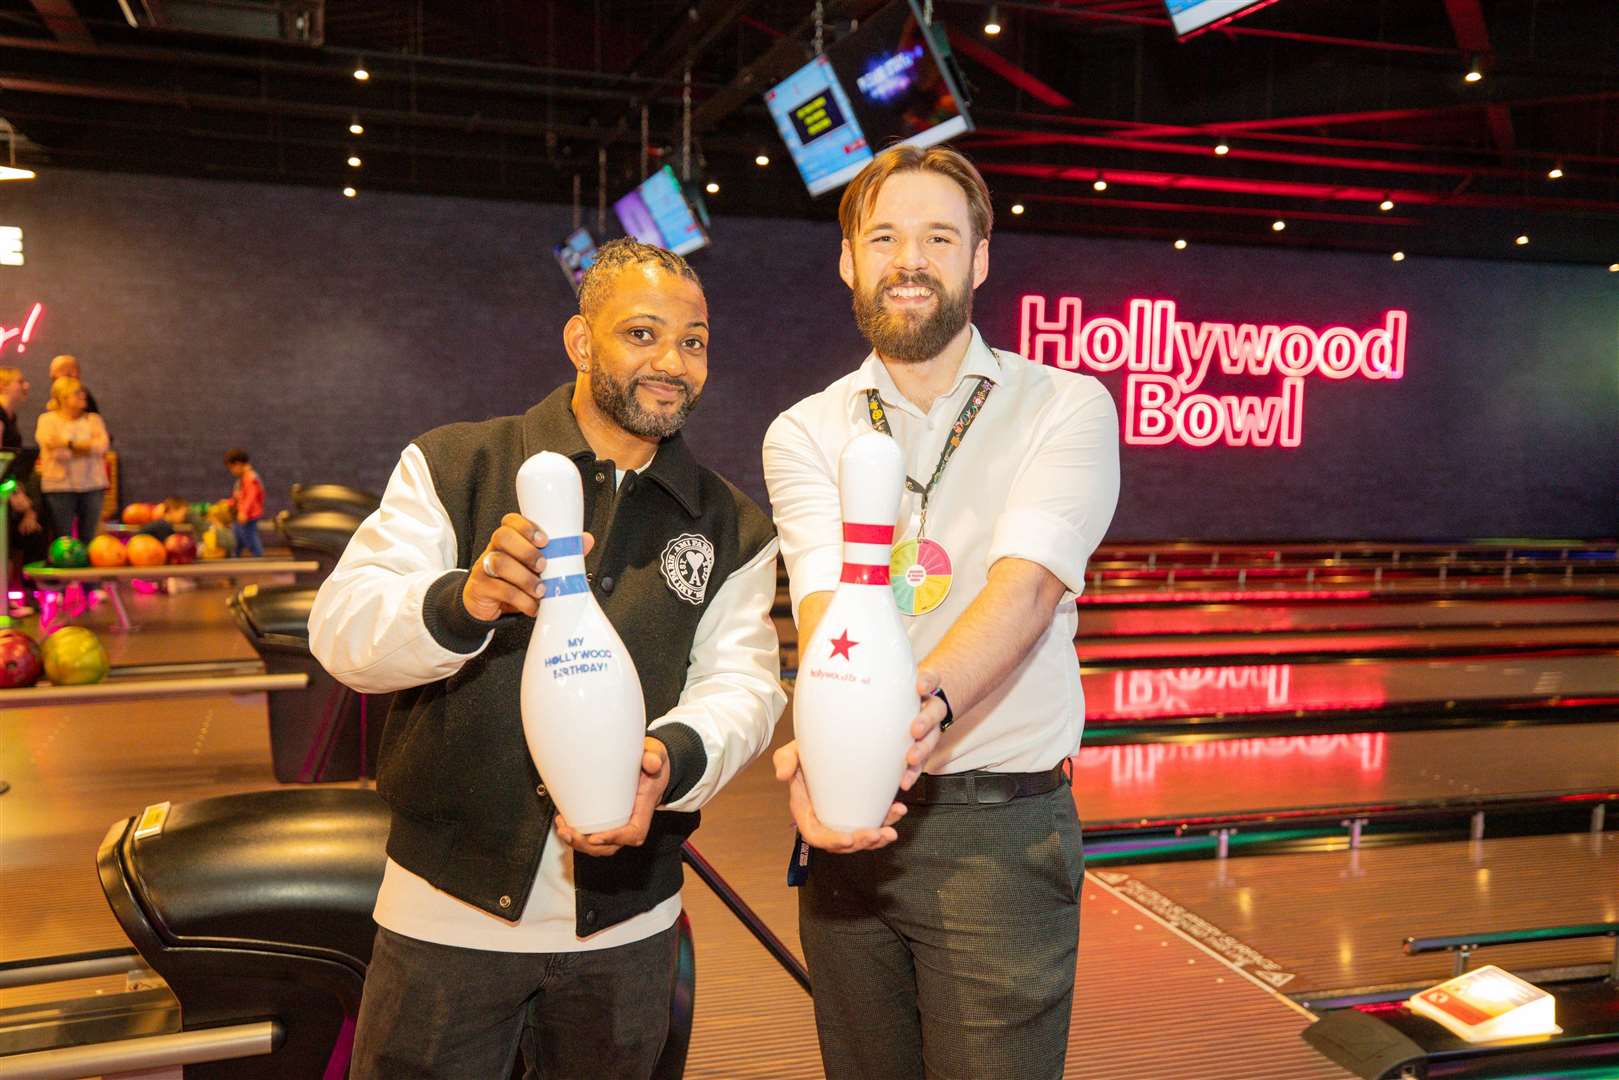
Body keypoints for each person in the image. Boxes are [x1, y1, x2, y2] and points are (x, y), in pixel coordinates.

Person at [307, 237, 785, 1079]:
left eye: (694, 340)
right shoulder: (457, 463)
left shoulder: (731, 524)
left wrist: (666, 763)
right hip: (443, 920)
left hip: (627, 928)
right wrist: (465, 598)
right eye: (642, 334)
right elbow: (343, 634)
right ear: (579, 341)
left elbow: (742, 683)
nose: (671, 362)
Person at [763, 144, 1121, 1080]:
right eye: (882, 236)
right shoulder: (805, 430)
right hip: (849, 826)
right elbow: (820, 605)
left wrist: (911, 714)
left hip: (996, 832)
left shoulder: (1064, 406)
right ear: (847, 259)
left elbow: (1029, 585)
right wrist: (835, 741)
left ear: (979, 257)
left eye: (936, 236)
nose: (908, 258)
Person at [34, 376, 110, 543]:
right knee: (62, 538)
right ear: (63, 398)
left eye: (82, 391)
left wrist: (67, 443)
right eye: (77, 392)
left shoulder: (93, 420)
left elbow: (102, 446)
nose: (83, 395)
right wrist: (86, 448)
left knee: (89, 538)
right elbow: (57, 454)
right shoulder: (47, 421)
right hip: (59, 487)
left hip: (92, 484)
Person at [224, 448, 264, 557]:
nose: (231, 471)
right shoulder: (242, 479)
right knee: (236, 541)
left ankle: (258, 560)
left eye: (231, 468)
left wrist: (244, 512)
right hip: (241, 516)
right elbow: (240, 497)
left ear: (238, 464)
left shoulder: (250, 478)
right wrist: (229, 502)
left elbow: (251, 496)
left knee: (251, 540)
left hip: (248, 516)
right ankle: (234, 563)